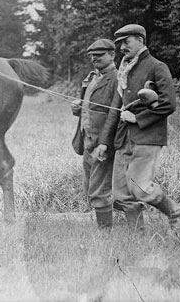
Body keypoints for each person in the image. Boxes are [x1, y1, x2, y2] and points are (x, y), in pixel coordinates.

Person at [97, 24, 180, 231]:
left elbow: (168, 104)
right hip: (123, 139)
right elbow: (115, 108)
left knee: (139, 187)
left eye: (126, 42)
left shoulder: (157, 67)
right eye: (119, 43)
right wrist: (104, 142)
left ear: (140, 40)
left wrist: (137, 119)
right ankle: (137, 236)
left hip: (147, 138)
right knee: (121, 193)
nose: (121, 47)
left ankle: (176, 212)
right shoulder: (125, 70)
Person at [71, 39, 119, 230]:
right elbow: (91, 108)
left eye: (99, 55)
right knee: (91, 188)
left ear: (113, 55)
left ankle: (105, 232)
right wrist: (77, 107)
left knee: (100, 190)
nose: (94, 59)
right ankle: (108, 224)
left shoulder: (117, 79)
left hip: (103, 143)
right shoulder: (91, 78)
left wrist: (105, 143)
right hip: (87, 141)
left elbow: (115, 114)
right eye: (92, 55)